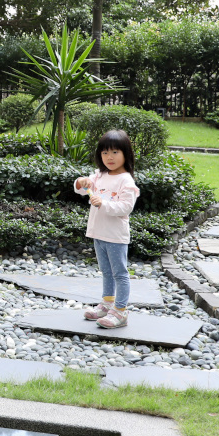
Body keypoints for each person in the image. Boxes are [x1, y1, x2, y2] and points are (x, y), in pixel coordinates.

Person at [73, 129, 140, 329]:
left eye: (114, 153)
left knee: (119, 273)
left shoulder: (126, 181)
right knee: (106, 271)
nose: (109, 157)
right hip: (98, 232)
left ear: (126, 154)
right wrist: (81, 182)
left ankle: (120, 311)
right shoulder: (99, 175)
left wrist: (103, 203)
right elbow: (81, 188)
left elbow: (125, 208)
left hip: (115, 235)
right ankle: (107, 304)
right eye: (104, 153)